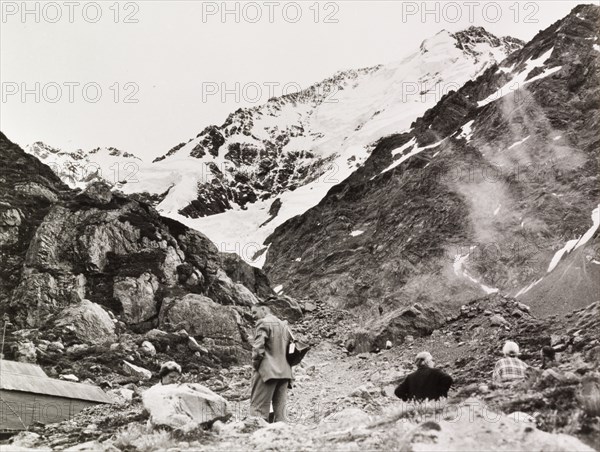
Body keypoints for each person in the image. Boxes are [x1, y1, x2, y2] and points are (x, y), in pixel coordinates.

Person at [249, 303, 293, 422]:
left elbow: (258, 349)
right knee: (281, 416)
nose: (253, 316)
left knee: (258, 411)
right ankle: (282, 438)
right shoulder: (284, 325)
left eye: (254, 312)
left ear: (263, 309)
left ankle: (256, 438)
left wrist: (255, 367)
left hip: (267, 373)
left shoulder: (263, 322)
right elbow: (291, 348)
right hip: (285, 373)